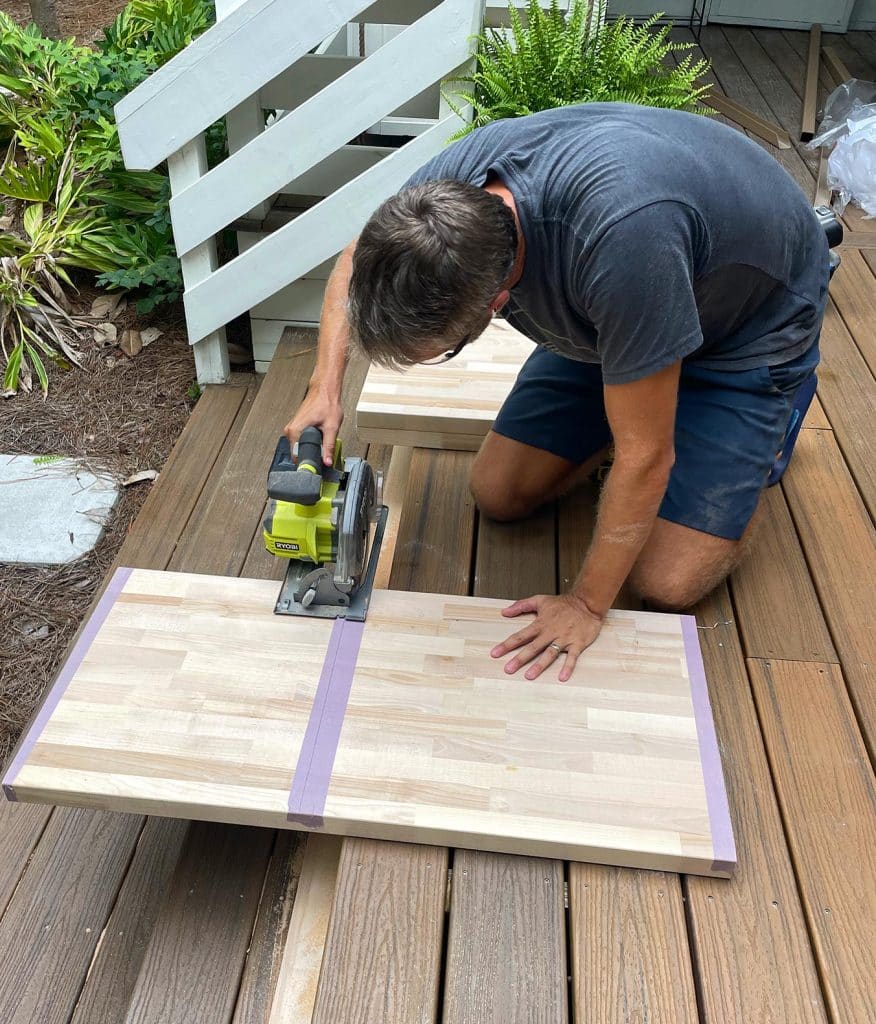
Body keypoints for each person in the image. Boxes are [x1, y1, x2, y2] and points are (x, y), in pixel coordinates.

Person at [284, 102, 830, 681]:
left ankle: (767, 427)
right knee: (500, 492)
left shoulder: (623, 240)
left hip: (748, 323)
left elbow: (647, 458)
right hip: (619, 316)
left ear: (494, 302)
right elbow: (354, 260)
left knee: (666, 581)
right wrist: (325, 388)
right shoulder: (441, 205)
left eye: (440, 349)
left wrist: (587, 605)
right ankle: (638, 383)